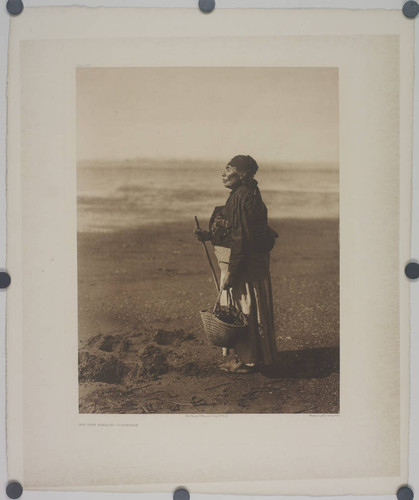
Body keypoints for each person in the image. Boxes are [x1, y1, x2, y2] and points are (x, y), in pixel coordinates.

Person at [194, 155, 278, 373]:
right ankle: (254, 356)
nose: (223, 173)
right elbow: (234, 232)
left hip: (243, 266)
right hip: (248, 264)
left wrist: (233, 271)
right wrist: (208, 235)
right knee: (247, 309)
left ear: (242, 174)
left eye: (228, 169)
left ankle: (247, 361)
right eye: (224, 168)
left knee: (244, 310)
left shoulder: (243, 197)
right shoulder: (245, 194)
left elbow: (242, 240)